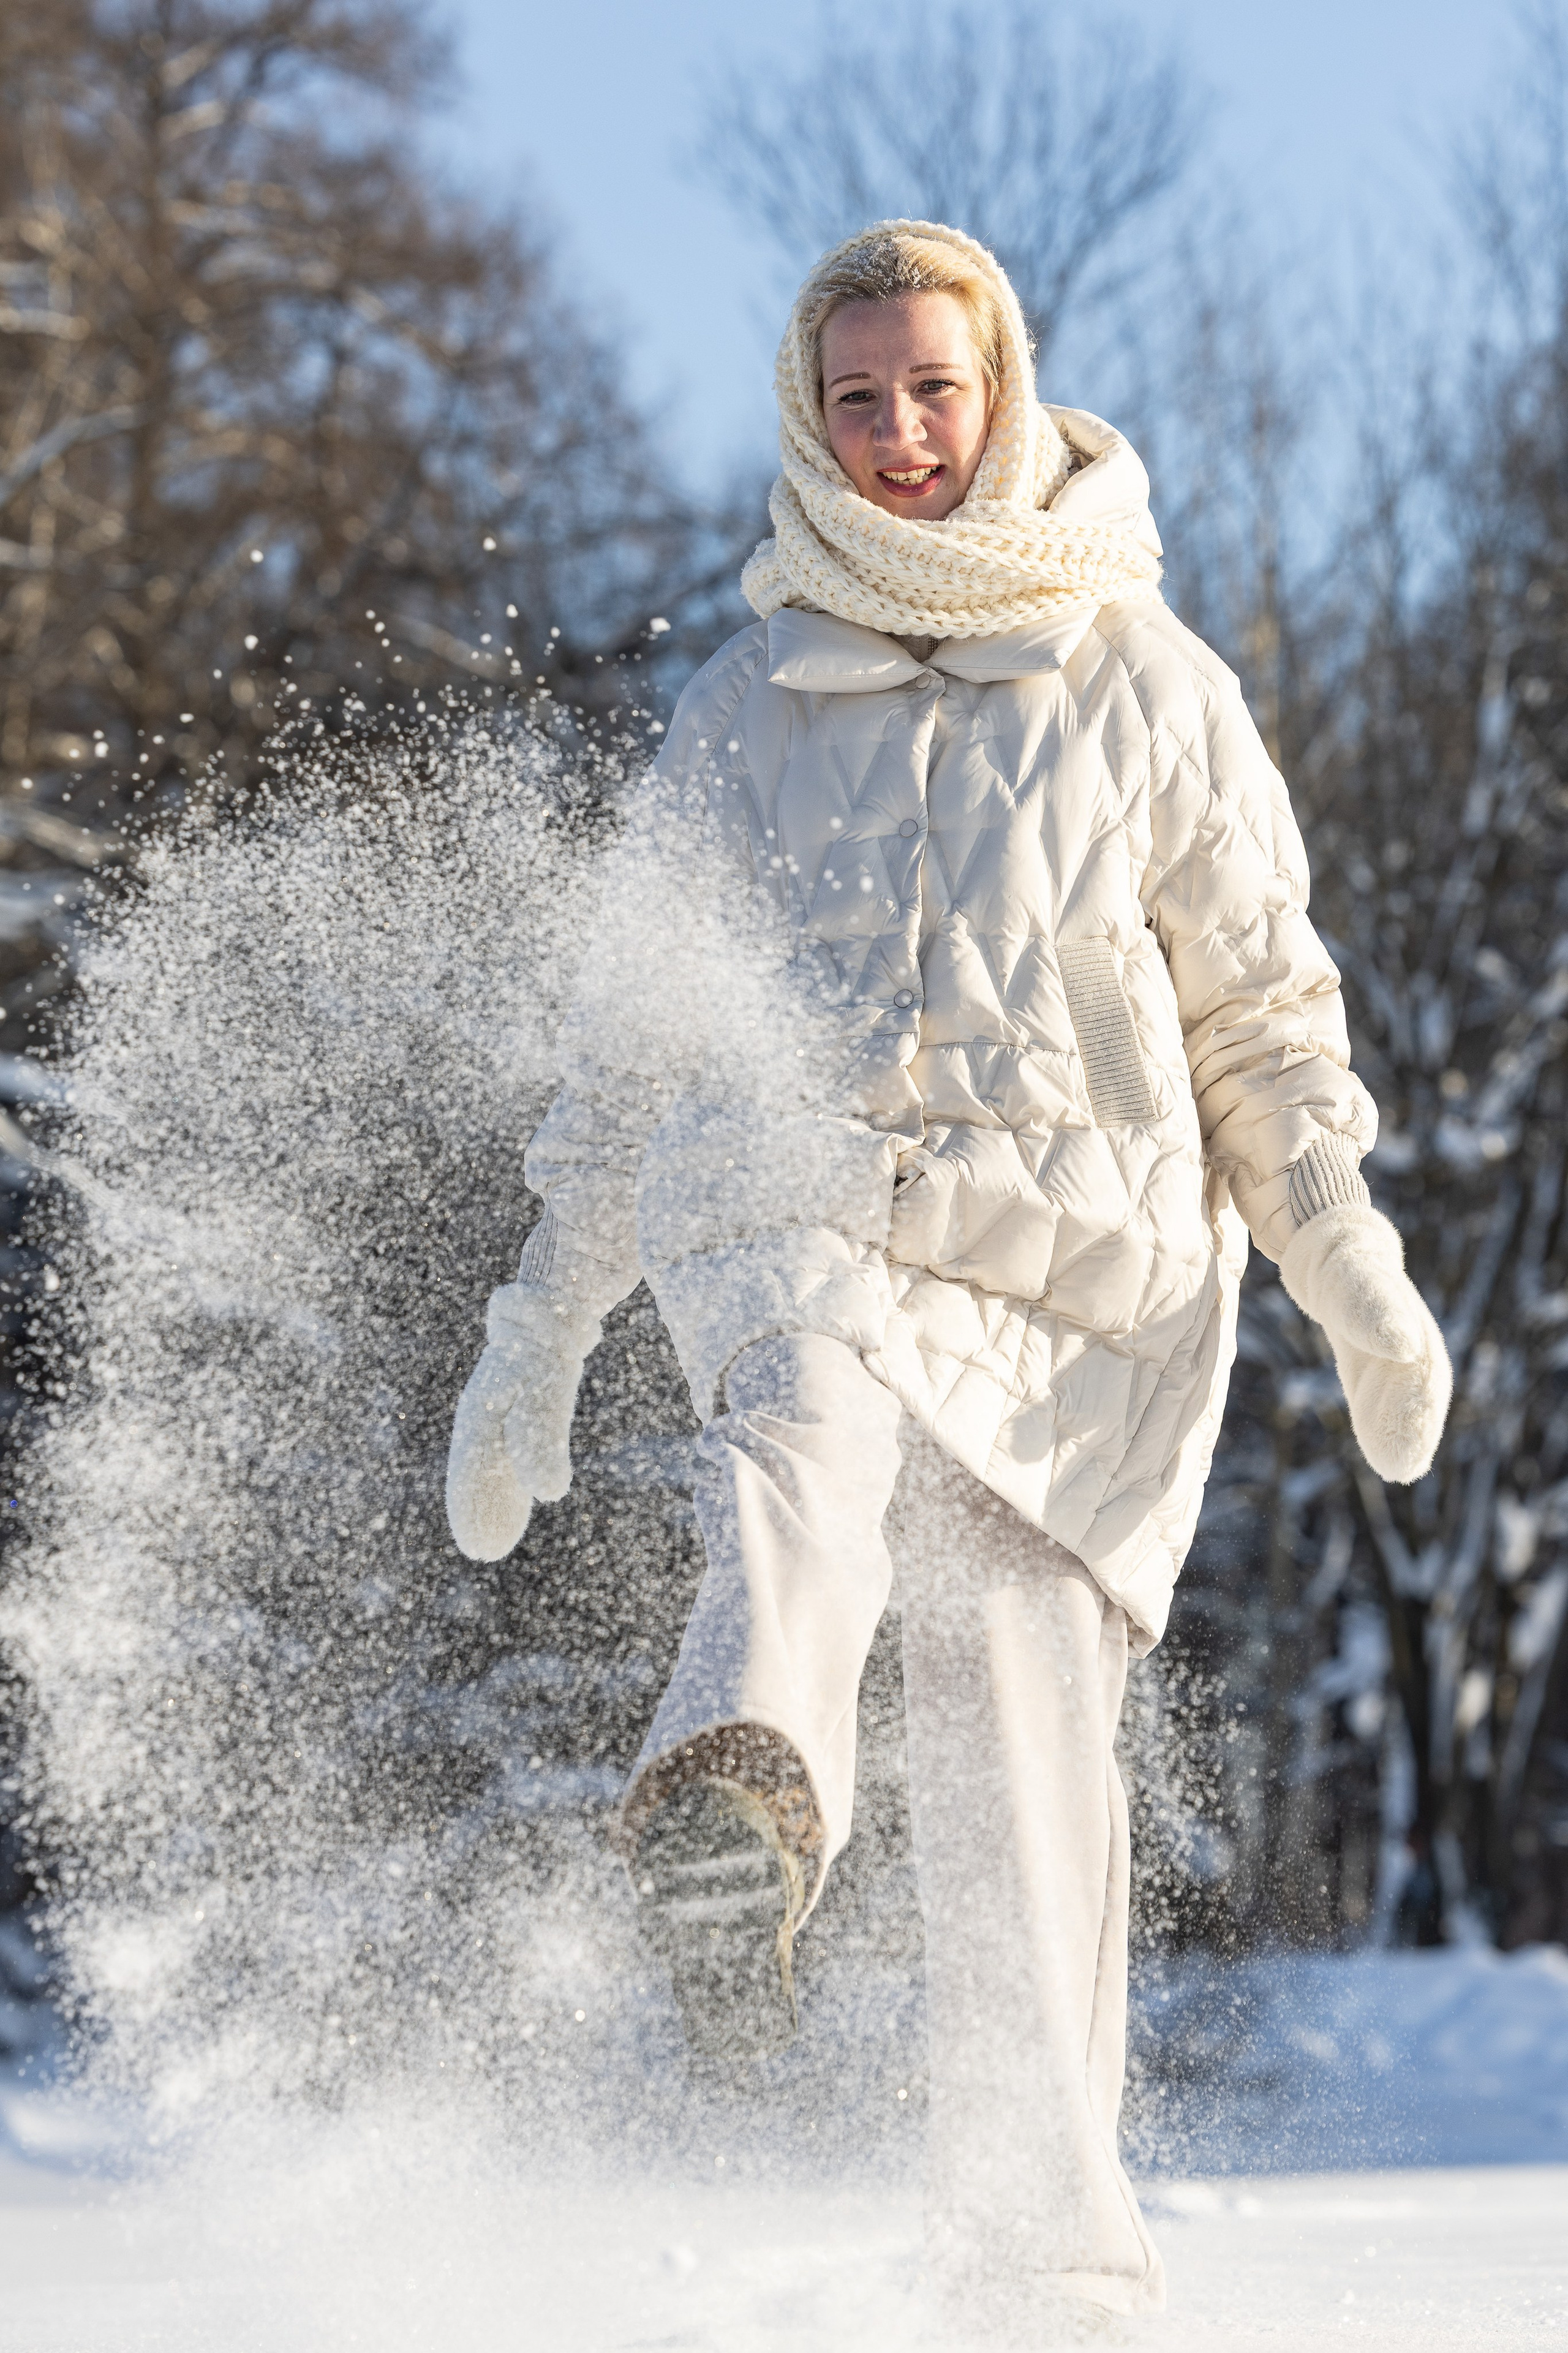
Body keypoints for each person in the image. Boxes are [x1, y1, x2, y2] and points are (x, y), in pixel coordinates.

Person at [444, 221, 1451, 2336]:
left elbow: (1263, 1026)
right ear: (808, 421)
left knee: (1019, 1724)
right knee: (796, 1440)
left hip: (1072, 1281)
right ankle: (739, 1796)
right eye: (858, 399)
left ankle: (1046, 2269)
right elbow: (634, 1052)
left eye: (934, 389)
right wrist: (539, 1329)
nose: (901, 435)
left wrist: (1348, 1262)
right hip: (793, 1198)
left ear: (1004, 386)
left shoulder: (1155, 688)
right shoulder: (738, 710)